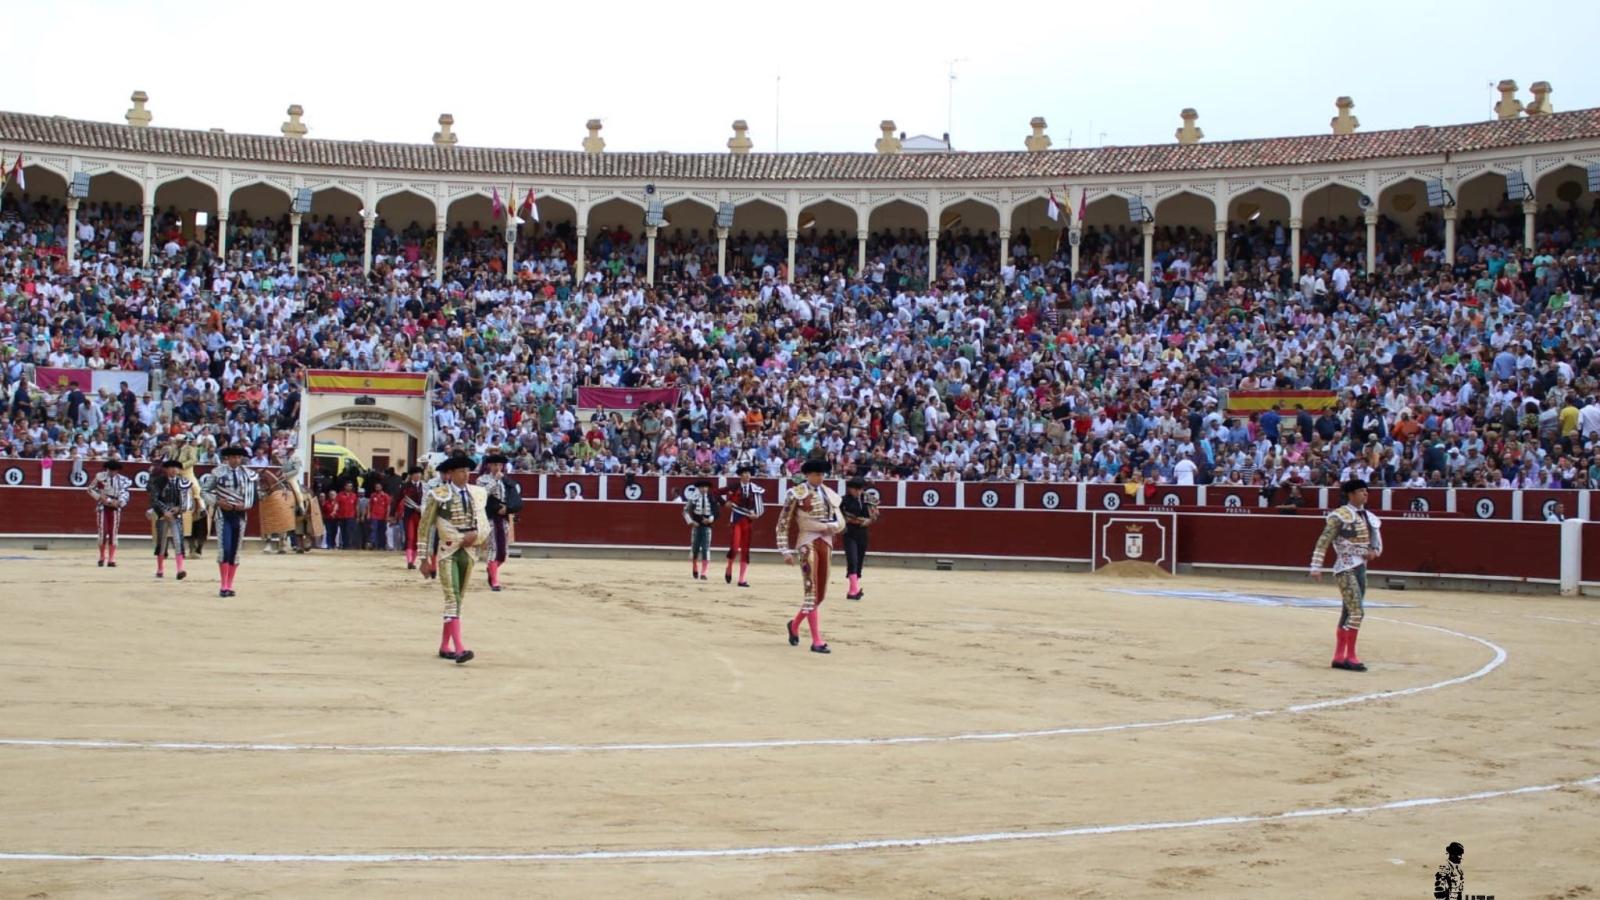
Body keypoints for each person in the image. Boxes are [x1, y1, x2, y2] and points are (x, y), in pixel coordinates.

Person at [418, 455, 489, 663]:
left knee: (458, 600)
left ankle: (444, 646)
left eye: (467, 470)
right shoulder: (438, 494)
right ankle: (459, 649)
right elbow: (425, 527)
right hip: (447, 551)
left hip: (468, 552)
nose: (466, 474)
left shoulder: (476, 494)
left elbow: (482, 521)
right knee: (452, 599)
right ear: (450, 474)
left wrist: (478, 536)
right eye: (461, 471)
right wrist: (423, 559)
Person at [1309, 477, 1383, 672]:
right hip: (1345, 567)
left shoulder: (1369, 517)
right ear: (1351, 494)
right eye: (1361, 491)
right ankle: (1350, 656)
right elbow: (1324, 541)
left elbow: (1375, 544)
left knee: (1348, 612)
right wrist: (1316, 566)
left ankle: (1339, 657)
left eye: (1366, 491)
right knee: (1357, 611)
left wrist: (1374, 552)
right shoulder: (1339, 515)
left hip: (1361, 568)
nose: (1366, 493)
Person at [776, 458, 846, 653]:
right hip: (807, 542)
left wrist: (832, 527)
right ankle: (817, 641)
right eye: (816, 474)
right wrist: (784, 549)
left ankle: (795, 624)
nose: (820, 477)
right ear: (807, 475)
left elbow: (839, 520)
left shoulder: (829, 494)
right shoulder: (796, 493)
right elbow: (783, 522)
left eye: (822, 474)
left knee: (821, 593)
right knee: (811, 591)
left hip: (826, 543)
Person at [203, 446, 259, 598]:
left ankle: (229, 585)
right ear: (227, 458)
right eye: (233, 457)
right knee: (225, 549)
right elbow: (205, 491)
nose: (236, 460)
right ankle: (223, 585)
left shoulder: (249, 474)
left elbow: (254, 496)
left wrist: (246, 505)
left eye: (239, 457)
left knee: (235, 551)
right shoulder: (218, 473)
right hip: (223, 515)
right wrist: (217, 502)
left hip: (240, 515)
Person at [477, 453, 521, 591]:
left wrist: (509, 508)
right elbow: (482, 494)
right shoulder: (482, 480)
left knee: (503, 552)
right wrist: (495, 481)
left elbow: (514, 497)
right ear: (489, 465)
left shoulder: (507, 481)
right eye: (494, 464)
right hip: (490, 516)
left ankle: (491, 568)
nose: (497, 467)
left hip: (503, 518)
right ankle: (495, 581)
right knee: (493, 548)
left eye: (499, 465)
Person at [718, 464, 765, 586]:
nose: (747, 475)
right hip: (736, 520)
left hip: (748, 521)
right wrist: (724, 503)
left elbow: (760, 507)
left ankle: (742, 579)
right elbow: (716, 493)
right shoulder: (734, 487)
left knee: (745, 549)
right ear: (740, 476)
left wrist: (757, 514)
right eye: (744, 473)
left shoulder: (755, 489)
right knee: (734, 547)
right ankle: (729, 567)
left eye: (748, 473)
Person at [148, 457, 191, 580]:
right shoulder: (159, 482)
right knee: (162, 543)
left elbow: (187, 501)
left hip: (176, 515)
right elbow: (154, 499)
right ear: (166, 470)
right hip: (163, 515)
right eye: (171, 467)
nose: (173, 470)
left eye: (176, 467)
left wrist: (179, 509)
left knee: (178, 540)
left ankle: (180, 569)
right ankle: (160, 569)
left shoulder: (183, 482)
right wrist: (164, 511)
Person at [87, 459, 132, 567]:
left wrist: (119, 502)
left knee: (113, 533)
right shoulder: (100, 477)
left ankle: (111, 559)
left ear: (117, 471)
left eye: (114, 470)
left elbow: (125, 493)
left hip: (115, 508)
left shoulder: (123, 480)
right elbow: (90, 489)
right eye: (110, 470)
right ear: (107, 469)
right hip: (102, 507)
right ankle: (102, 556)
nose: (112, 472)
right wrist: (101, 498)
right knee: (103, 532)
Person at [840, 478, 879, 600]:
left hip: (862, 532)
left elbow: (876, 514)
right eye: (856, 489)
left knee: (859, 560)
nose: (858, 492)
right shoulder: (843, 501)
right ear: (850, 489)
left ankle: (853, 589)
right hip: (849, 531)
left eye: (860, 489)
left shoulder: (867, 499)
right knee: (853, 559)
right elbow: (840, 516)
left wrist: (870, 520)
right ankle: (854, 590)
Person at [683, 478, 719, 580]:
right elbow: (685, 511)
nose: (704, 489)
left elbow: (716, 512)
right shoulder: (693, 498)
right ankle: (695, 567)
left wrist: (710, 519)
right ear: (698, 488)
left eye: (706, 487)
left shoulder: (712, 498)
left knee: (705, 548)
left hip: (707, 527)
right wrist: (691, 522)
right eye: (702, 487)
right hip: (696, 526)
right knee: (695, 548)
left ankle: (704, 573)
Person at [398, 466, 426, 569]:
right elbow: (397, 499)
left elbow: (428, 501)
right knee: (410, 537)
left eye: (419, 473)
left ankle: (412, 562)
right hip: (409, 515)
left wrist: (422, 508)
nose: (418, 475)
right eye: (416, 473)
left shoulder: (425, 486)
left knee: (417, 539)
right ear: (411, 475)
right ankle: (409, 561)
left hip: (421, 515)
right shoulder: (405, 487)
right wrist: (392, 514)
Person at [367, 484, 391, 550]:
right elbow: (370, 505)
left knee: (382, 531)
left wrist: (387, 516)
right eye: (376, 487)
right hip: (374, 516)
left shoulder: (386, 496)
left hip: (383, 516)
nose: (377, 488)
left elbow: (388, 507)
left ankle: (382, 545)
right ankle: (373, 544)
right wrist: (369, 513)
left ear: (381, 487)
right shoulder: (373, 495)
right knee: (373, 530)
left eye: (378, 487)